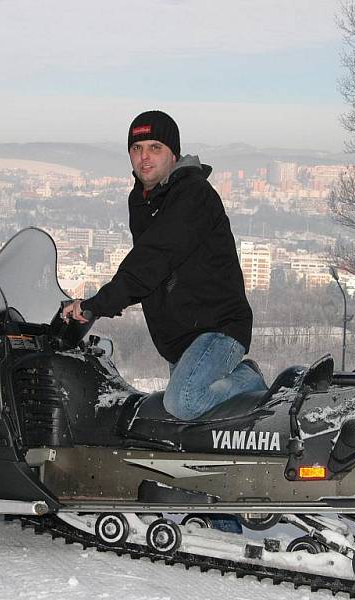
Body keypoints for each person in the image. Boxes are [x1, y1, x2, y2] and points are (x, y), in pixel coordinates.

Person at [62, 110, 265, 421]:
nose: (144, 157)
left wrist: (97, 305)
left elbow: (150, 262)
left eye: (155, 147)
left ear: (174, 153)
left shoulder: (193, 195)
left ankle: (250, 379)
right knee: (195, 426)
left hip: (219, 329)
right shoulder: (145, 199)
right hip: (182, 338)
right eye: (136, 148)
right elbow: (153, 270)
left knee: (184, 401)